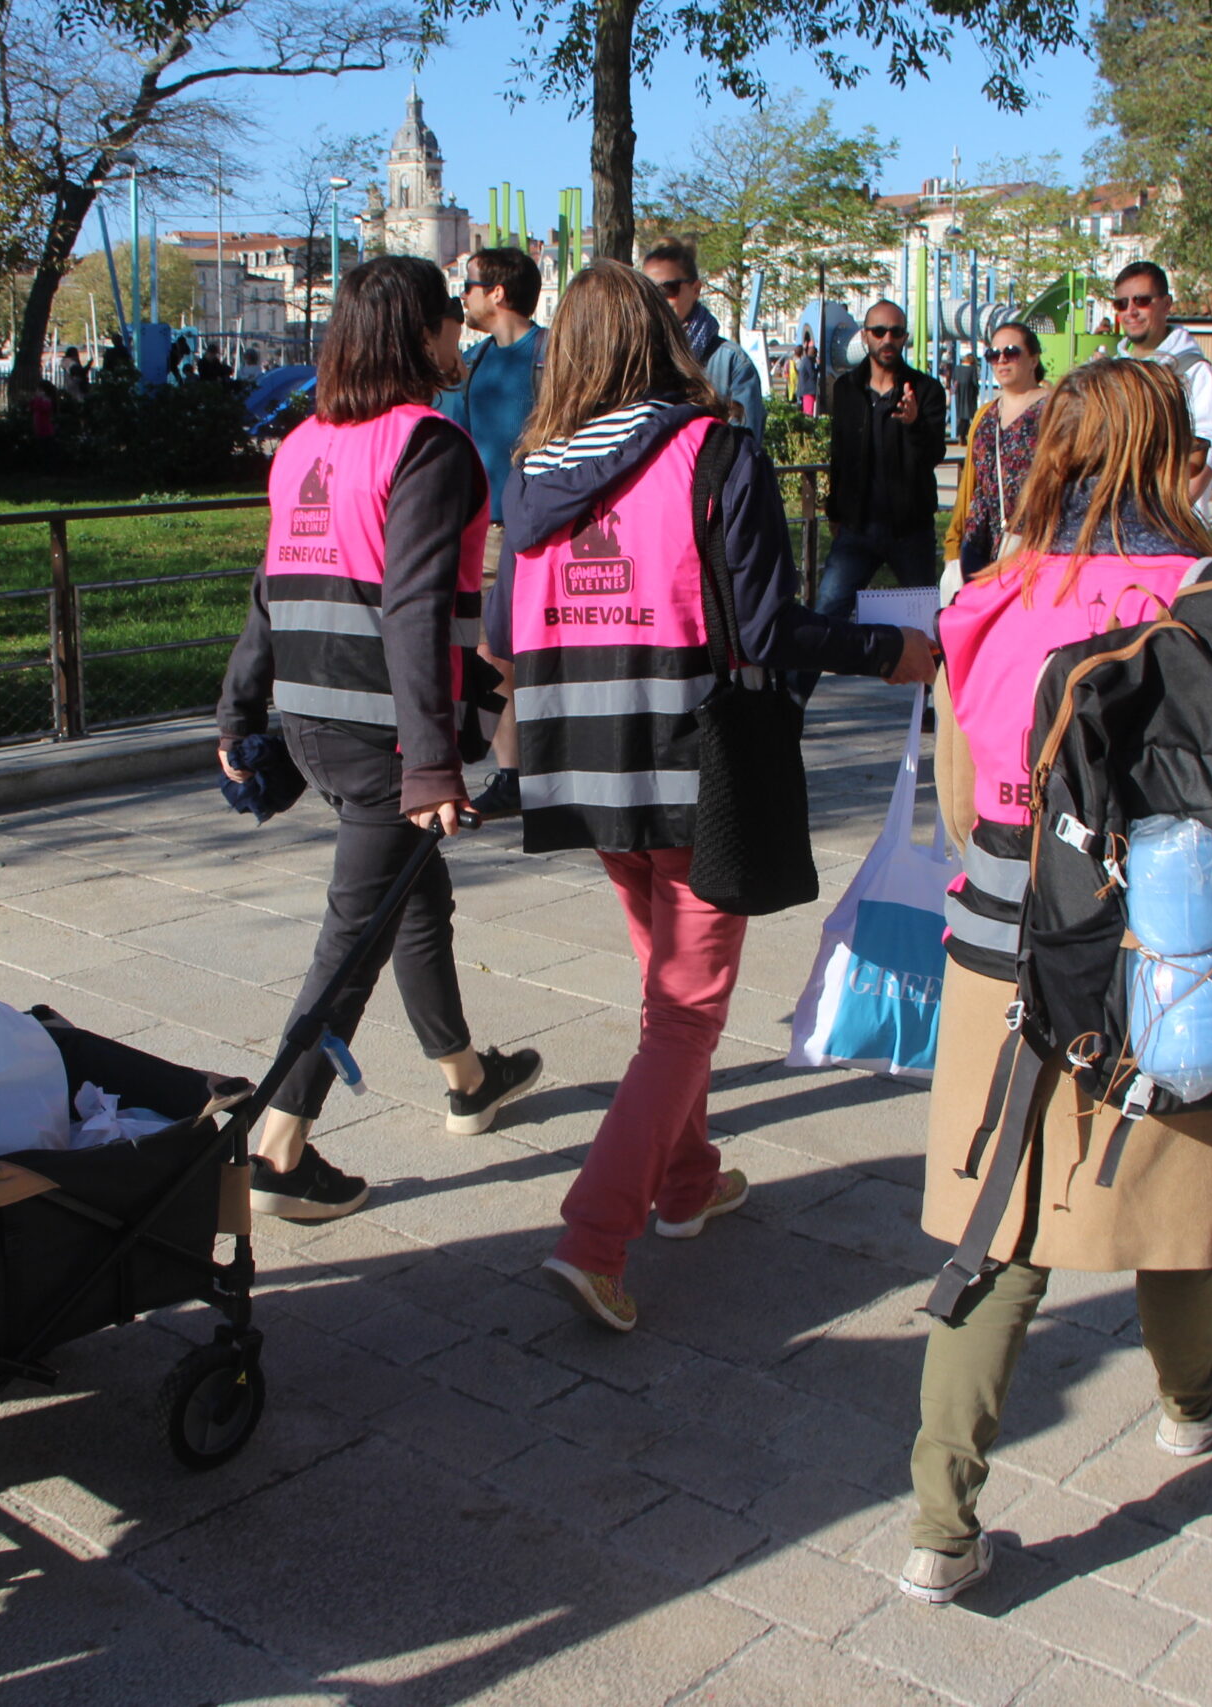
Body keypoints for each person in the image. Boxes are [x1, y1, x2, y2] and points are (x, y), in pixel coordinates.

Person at [897, 357, 1212, 1606]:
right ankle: (1193, 1401)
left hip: (1008, 950)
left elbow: (959, 808)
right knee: (1179, 1179)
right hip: (1175, 944)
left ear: (1051, 452)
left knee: (1000, 1223)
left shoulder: (988, 598)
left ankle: (939, 1526)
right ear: (1168, 453)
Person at [487, 260, 936, 1332]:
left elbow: (502, 632)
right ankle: (594, 1236)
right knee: (687, 1013)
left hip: (582, 761)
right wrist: (890, 652)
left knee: (665, 993)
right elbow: (768, 627)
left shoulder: (533, 475)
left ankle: (686, 1184)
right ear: (663, 339)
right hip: (698, 762)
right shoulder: (715, 453)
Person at [218, 255, 546, 1223]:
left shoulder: (303, 444)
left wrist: (238, 708)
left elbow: (269, 588)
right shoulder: (429, 446)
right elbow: (413, 605)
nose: (459, 334)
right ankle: (278, 1149)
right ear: (419, 334)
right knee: (353, 939)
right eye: (448, 319)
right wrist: (433, 764)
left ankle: (468, 1078)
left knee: (412, 902)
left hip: (310, 719)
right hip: (385, 737)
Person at [436, 245, 545, 818]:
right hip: (489, 533)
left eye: (470, 285)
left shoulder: (552, 355)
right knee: (490, 654)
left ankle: (537, 768)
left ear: (497, 293)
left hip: (546, 531)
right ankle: (513, 774)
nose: (463, 296)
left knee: (539, 652)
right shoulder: (471, 363)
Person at [813, 298, 949, 634]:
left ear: (905, 338)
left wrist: (914, 423)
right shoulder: (846, 389)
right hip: (857, 527)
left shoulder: (926, 390)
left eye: (896, 332)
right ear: (865, 336)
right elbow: (840, 453)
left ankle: (931, 672)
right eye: (879, 331)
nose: (887, 339)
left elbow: (934, 453)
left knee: (925, 621)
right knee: (827, 611)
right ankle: (806, 674)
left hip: (910, 528)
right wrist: (835, 510)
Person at [1109, 261, 1212, 512]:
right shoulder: (1111, 371)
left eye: (1141, 301)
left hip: (1168, 520)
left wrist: (1172, 513)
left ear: (1166, 304)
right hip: (1117, 518)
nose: (1131, 311)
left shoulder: (1194, 371)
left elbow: (1209, 447)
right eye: (1121, 304)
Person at [944, 321, 1050, 587]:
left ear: (1033, 359)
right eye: (993, 354)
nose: (1001, 360)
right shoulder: (986, 414)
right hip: (979, 541)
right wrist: (954, 543)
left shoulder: (1055, 410)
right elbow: (971, 484)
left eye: (1011, 352)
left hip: (1033, 544)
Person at [640, 241, 766, 436]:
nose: (658, 300)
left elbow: (746, 444)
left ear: (696, 289)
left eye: (668, 289)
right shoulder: (634, 359)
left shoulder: (732, 363)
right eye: (648, 292)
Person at [794, 331, 822, 417]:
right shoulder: (808, 361)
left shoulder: (805, 360)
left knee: (808, 410)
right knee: (809, 412)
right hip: (808, 390)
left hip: (805, 389)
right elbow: (812, 374)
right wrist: (818, 366)